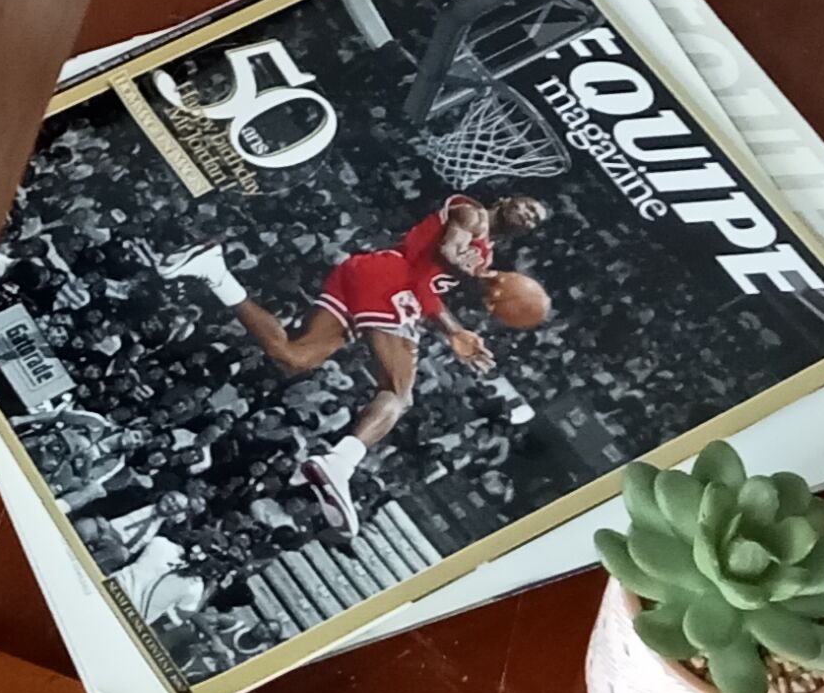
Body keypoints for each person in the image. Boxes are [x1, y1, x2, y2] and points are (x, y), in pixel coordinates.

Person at [157, 195, 553, 538]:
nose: (529, 216)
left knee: (293, 356)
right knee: (399, 394)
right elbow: (449, 251)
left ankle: (215, 272)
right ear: (507, 200)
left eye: (535, 220)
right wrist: (467, 295)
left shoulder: (486, 257)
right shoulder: (473, 215)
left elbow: (428, 291)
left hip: (376, 279)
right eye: (528, 207)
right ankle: (340, 462)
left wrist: (459, 321)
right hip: (390, 279)